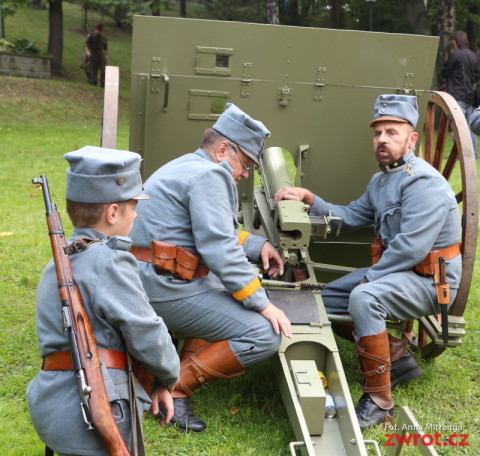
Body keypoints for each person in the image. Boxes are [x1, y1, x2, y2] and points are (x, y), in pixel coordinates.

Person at [274, 94, 462, 429]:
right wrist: (310, 198)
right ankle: (396, 356)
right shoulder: (381, 181)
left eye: (392, 132)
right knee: (318, 300)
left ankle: (379, 401)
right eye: (378, 133)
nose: (383, 140)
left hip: (429, 281)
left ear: (411, 138)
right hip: (397, 272)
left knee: (364, 296)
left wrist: (369, 278)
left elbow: (411, 249)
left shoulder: (423, 182)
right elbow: (348, 216)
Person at [130, 103, 292, 433]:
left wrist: (257, 245)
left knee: (223, 285)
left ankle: (176, 373)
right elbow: (219, 249)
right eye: (245, 163)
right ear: (222, 149)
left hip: (146, 275)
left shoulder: (189, 166)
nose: (245, 173)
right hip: (161, 285)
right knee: (263, 333)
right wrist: (263, 304)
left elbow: (214, 230)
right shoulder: (212, 174)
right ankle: (174, 391)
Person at [27, 146, 180, 455]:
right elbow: (147, 332)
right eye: (132, 206)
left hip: (52, 406)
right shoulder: (110, 260)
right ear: (113, 212)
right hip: (96, 413)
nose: (136, 214)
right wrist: (168, 376)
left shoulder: (59, 261)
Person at [441, 30, 480, 159]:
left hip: (457, 95)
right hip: (470, 95)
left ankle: (460, 153)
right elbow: (476, 76)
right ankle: (473, 154)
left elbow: (445, 72)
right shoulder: (473, 56)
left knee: (457, 126)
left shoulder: (455, 55)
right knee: (471, 127)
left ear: (455, 42)